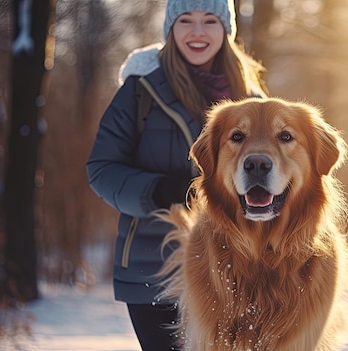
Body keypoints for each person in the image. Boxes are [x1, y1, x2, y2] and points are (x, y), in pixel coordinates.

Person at [86, 0, 267, 349]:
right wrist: (157, 191)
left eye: (209, 21)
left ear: (226, 29)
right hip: (154, 262)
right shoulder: (139, 91)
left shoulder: (253, 99)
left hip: (237, 269)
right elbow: (101, 169)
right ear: (170, 28)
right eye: (186, 20)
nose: (197, 32)